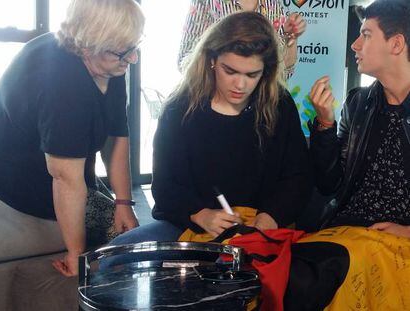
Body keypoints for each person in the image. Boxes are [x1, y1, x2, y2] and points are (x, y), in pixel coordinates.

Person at [106, 11, 311, 255]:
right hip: (190, 228)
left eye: (251, 75)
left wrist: (271, 216)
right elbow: (165, 186)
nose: (240, 85)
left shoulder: (279, 103)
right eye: (230, 71)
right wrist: (200, 214)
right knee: (113, 258)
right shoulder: (181, 107)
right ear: (212, 60)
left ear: (265, 71)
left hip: (260, 231)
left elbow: (298, 177)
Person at [0, 0, 145, 276]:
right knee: (120, 249)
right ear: (88, 46)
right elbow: (65, 178)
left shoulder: (110, 63)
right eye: (124, 52)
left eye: (135, 46)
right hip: (21, 183)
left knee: (129, 233)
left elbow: (117, 136)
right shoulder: (62, 85)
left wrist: (124, 202)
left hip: (71, 173)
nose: (133, 58)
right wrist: (76, 253)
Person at [309, 0, 410, 236]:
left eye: (365, 35)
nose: (354, 45)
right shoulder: (357, 103)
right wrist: (325, 124)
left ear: (396, 44)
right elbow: (328, 185)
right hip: (348, 232)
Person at [178, 0, 306, 79]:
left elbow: (284, 73)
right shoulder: (207, 2)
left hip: (259, 107)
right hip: (212, 103)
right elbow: (185, 63)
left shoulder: (273, 4)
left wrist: (291, 36)